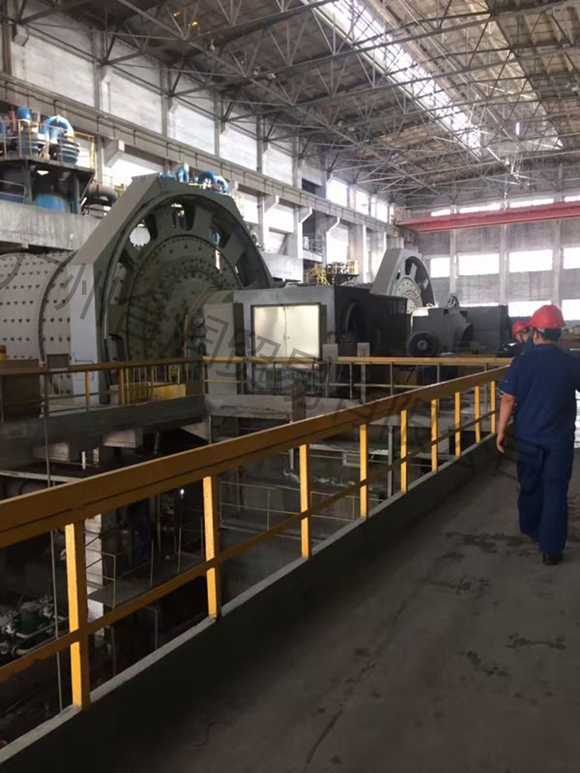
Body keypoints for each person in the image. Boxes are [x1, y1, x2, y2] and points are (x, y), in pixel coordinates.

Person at [497, 304, 580, 565]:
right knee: (555, 491)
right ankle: (551, 550)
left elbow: (508, 399)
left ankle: (533, 529)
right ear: (559, 333)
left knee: (530, 485)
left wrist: (500, 431)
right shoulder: (571, 363)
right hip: (559, 441)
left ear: (534, 332)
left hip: (528, 439)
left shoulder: (521, 363)